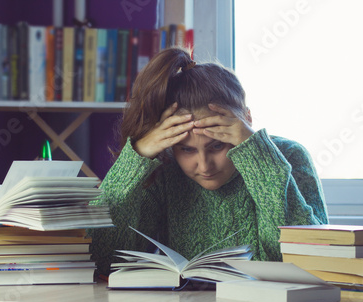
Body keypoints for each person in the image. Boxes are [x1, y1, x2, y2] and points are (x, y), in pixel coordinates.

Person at [90, 47, 328, 277]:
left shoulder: (290, 156)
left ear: (247, 119)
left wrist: (259, 156)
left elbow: (313, 262)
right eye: (187, 150)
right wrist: (135, 160)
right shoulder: (165, 170)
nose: (204, 166)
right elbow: (104, 261)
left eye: (217, 145)